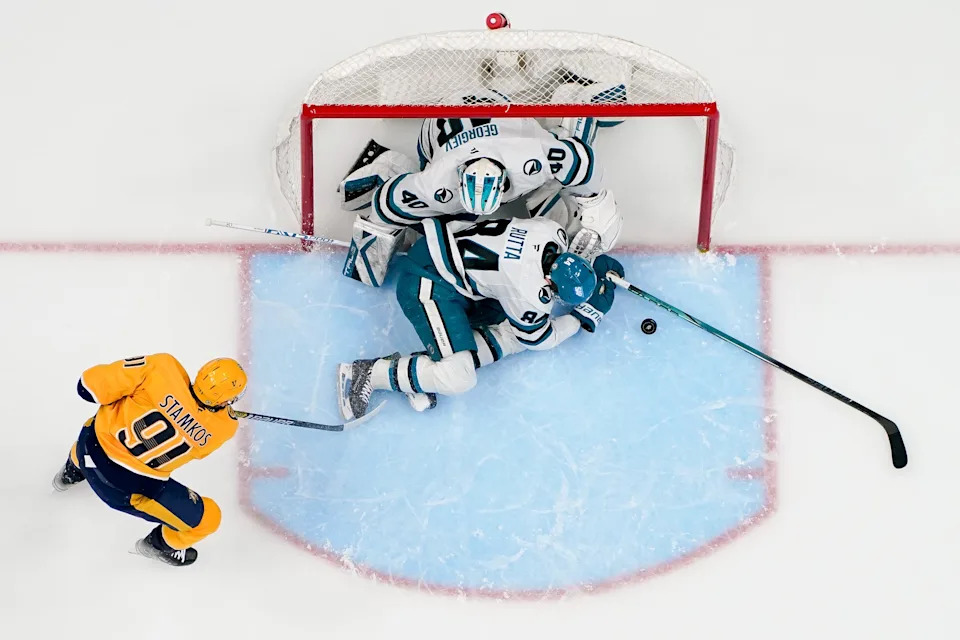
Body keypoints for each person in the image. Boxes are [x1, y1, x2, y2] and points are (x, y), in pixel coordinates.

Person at [336, 215, 624, 419]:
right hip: (427, 281)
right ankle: (367, 373)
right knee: (458, 378)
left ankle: (419, 373)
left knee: (512, 329)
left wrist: (591, 268)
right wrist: (582, 317)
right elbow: (541, 339)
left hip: (449, 256)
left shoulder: (552, 231)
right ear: (548, 282)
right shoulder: (529, 291)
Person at [337, 90, 624, 288]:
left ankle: (575, 97)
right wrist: (368, 257)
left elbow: (581, 159)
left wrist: (595, 205)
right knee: (447, 239)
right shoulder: (436, 184)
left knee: (558, 194)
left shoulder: (530, 159)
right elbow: (387, 204)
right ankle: (387, 166)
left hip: (499, 111)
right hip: (438, 124)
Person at [52, 354, 247, 566]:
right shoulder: (223, 428)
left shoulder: (162, 367)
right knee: (208, 520)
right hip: (122, 490)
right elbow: (200, 448)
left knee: (98, 440)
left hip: (88, 448)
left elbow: (86, 388)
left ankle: (68, 475)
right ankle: (156, 546)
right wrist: (212, 413)